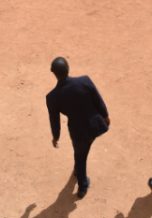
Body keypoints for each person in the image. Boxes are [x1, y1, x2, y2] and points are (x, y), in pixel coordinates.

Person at [46, 57, 110, 198]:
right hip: (95, 126)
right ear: (68, 68)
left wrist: (56, 137)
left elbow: (54, 120)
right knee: (82, 153)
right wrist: (105, 116)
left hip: (77, 131)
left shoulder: (52, 97)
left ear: (53, 73)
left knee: (80, 155)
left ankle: (82, 186)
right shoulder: (85, 81)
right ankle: (79, 171)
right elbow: (98, 100)